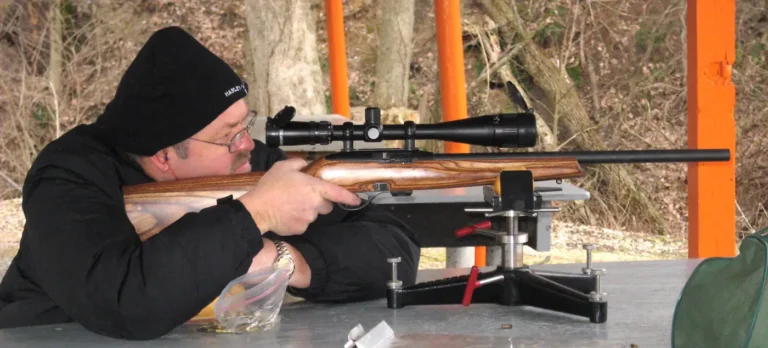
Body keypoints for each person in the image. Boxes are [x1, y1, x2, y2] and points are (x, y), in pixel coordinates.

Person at [0, 26, 420, 340]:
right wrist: (259, 213)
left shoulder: (249, 162)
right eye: (228, 136)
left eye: (245, 125)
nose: (246, 145)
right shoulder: (68, 176)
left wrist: (283, 257)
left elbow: (396, 252)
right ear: (163, 156)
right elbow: (124, 301)